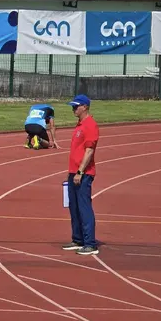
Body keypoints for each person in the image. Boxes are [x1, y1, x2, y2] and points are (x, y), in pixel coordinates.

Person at [64, 95, 99, 256]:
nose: (73, 109)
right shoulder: (79, 125)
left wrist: (80, 171)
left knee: (84, 207)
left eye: (75, 106)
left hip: (83, 174)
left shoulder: (90, 125)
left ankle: (90, 243)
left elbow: (89, 150)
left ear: (84, 107)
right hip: (74, 172)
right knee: (74, 207)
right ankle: (77, 239)